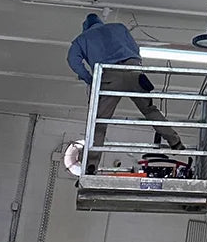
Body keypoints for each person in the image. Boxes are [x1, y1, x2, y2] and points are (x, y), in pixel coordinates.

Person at [67, 13, 182, 173]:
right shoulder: (119, 28)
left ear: (85, 27)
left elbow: (73, 60)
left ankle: (91, 166)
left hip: (108, 76)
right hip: (133, 71)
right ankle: (175, 142)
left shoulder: (82, 39)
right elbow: (135, 49)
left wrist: (90, 79)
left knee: (99, 123)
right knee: (150, 110)